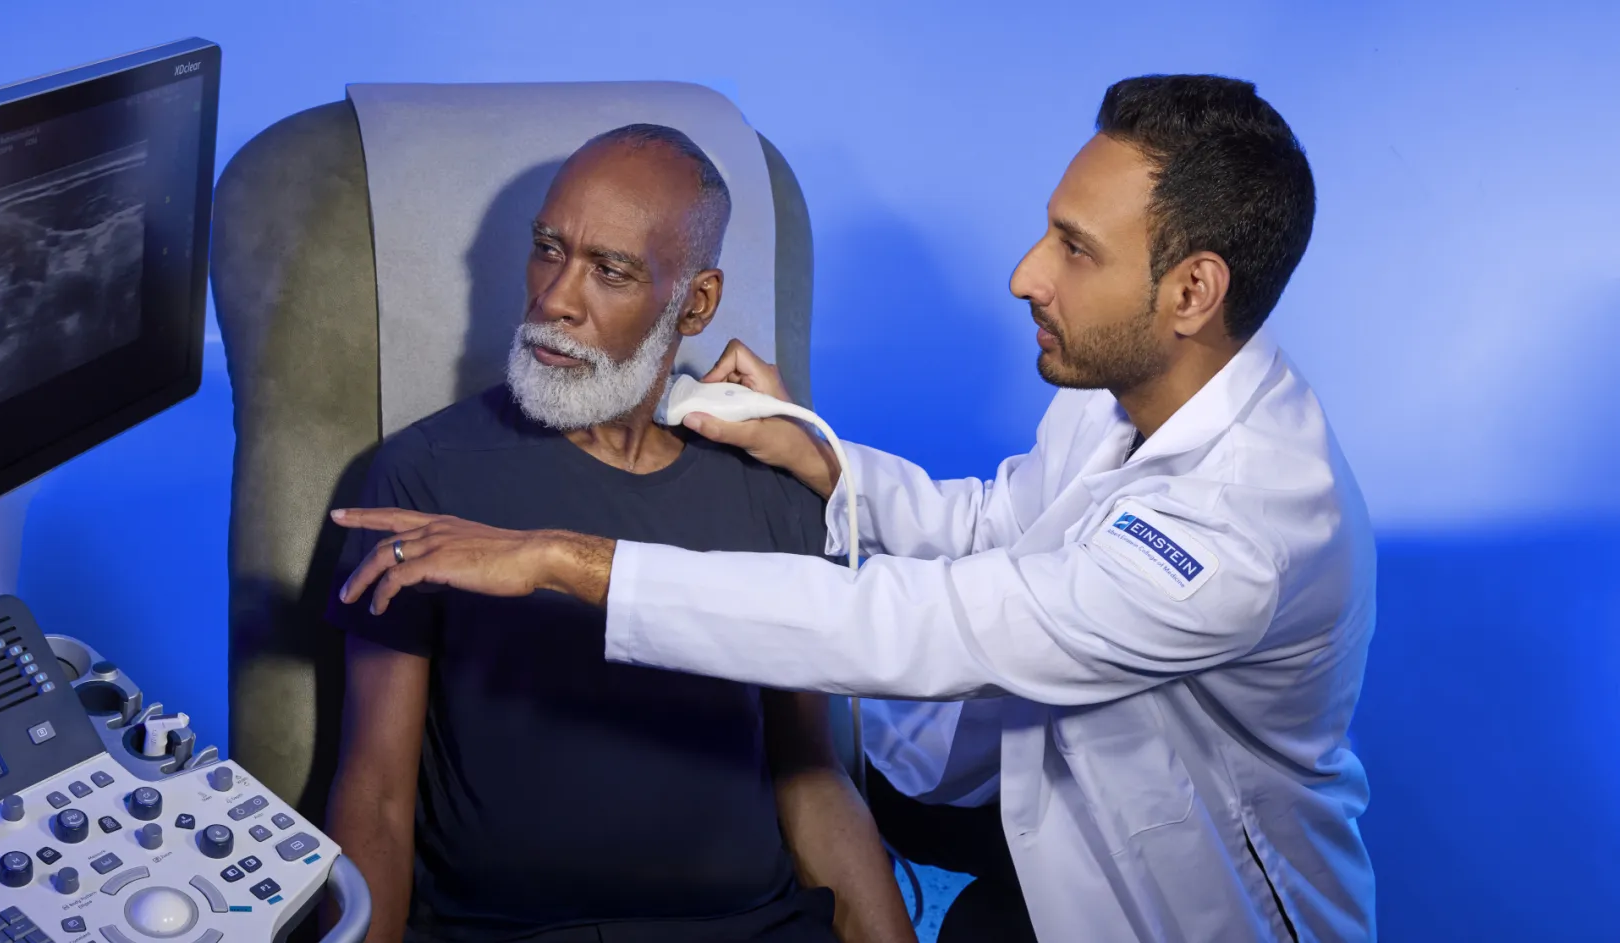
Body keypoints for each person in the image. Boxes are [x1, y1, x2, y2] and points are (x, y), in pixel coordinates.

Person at [331, 75, 1377, 943]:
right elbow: (991, 528)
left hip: (1172, 905)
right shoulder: (1122, 400)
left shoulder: (1245, 533)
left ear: (1191, 294)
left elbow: (909, 633)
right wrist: (822, 459)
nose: (1024, 276)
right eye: (547, 248)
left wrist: (569, 561)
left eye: (1074, 249)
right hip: (1037, 813)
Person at [322, 124, 912, 943]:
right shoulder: (424, 477)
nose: (556, 299)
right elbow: (376, 796)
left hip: (753, 926)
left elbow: (811, 775)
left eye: (610, 270)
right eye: (546, 249)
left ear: (694, 302)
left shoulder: (770, 483)